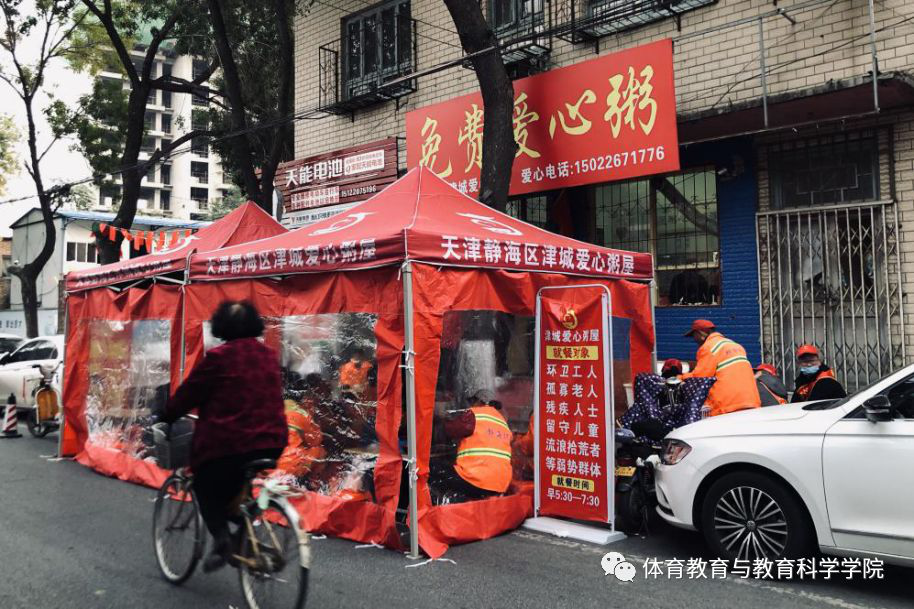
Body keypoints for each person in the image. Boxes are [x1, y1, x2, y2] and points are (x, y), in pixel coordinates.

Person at [161, 301, 287, 573]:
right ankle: (243, 535)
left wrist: (168, 414)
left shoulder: (219, 358)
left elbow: (189, 394)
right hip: (272, 441)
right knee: (237, 491)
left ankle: (222, 541)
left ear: (222, 326)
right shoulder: (268, 356)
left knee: (204, 486)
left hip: (229, 444)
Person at [442, 389, 513, 499]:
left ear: (479, 401)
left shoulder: (473, 414)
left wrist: (440, 418)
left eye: (472, 402)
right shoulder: (502, 421)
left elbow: (449, 430)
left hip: (475, 479)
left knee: (434, 470)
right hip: (501, 484)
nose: (470, 405)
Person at [680, 319, 760, 416]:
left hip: (728, 405)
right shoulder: (735, 345)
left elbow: (699, 376)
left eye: (694, 336)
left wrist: (680, 377)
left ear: (700, 333)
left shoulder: (708, 347)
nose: (694, 340)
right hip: (751, 401)